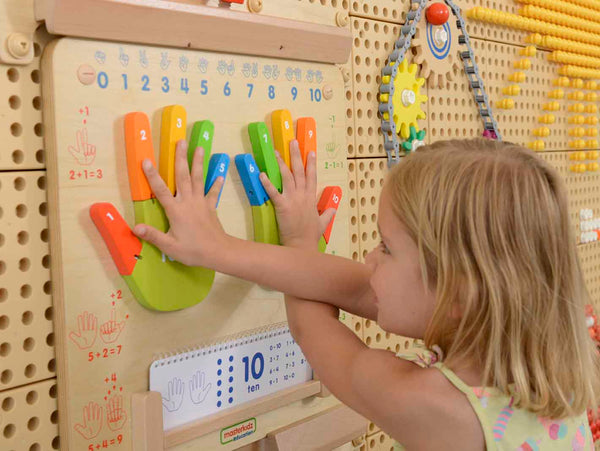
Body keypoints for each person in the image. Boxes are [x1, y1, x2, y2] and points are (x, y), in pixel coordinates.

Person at [133, 137, 600, 449]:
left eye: (385, 246)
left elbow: (311, 326)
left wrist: (257, 246)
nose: (369, 260)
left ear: (457, 294)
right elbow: (354, 287)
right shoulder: (546, 363)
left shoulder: (439, 409)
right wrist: (274, 247)